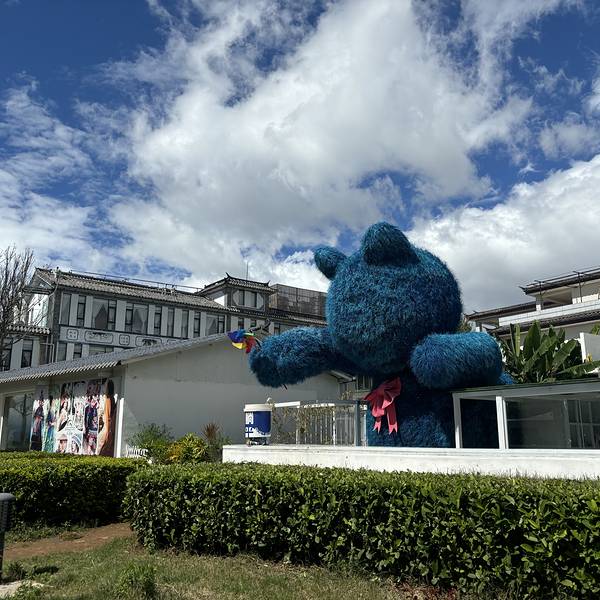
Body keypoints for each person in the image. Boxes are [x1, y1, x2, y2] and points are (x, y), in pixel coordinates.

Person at [98, 380, 117, 456]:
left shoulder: (109, 399)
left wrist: (107, 429)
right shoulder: (110, 399)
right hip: (108, 425)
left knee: (103, 444)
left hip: (107, 426)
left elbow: (108, 416)